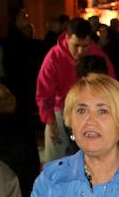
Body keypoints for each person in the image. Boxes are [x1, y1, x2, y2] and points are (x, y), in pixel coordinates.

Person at [36, 17, 115, 162]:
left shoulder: (98, 55)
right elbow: (44, 92)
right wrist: (49, 120)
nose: (80, 51)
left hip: (91, 109)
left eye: (85, 46)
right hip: (61, 109)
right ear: (67, 38)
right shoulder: (54, 57)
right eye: (76, 45)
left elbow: (112, 86)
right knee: (55, 157)